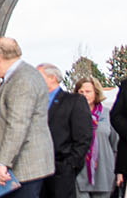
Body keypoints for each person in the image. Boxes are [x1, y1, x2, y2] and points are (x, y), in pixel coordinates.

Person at [0, 37, 54, 198]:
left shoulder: (23, 80)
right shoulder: (15, 77)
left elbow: (18, 125)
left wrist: (2, 163)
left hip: (21, 168)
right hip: (15, 167)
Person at [37, 63, 92, 198]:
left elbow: (83, 136)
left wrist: (70, 165)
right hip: (37, 170)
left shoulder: (73, 101)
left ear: (52, 78)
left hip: (61, 168)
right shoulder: (35, 102)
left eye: (38, 76)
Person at [73, 77, 118, 198]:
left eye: (88, 92)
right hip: (80, 173)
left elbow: (115, 145)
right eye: (81, 92)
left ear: (96, 93)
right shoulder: (72, 114)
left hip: (104, 172)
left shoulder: (107, 114)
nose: (84, 95)